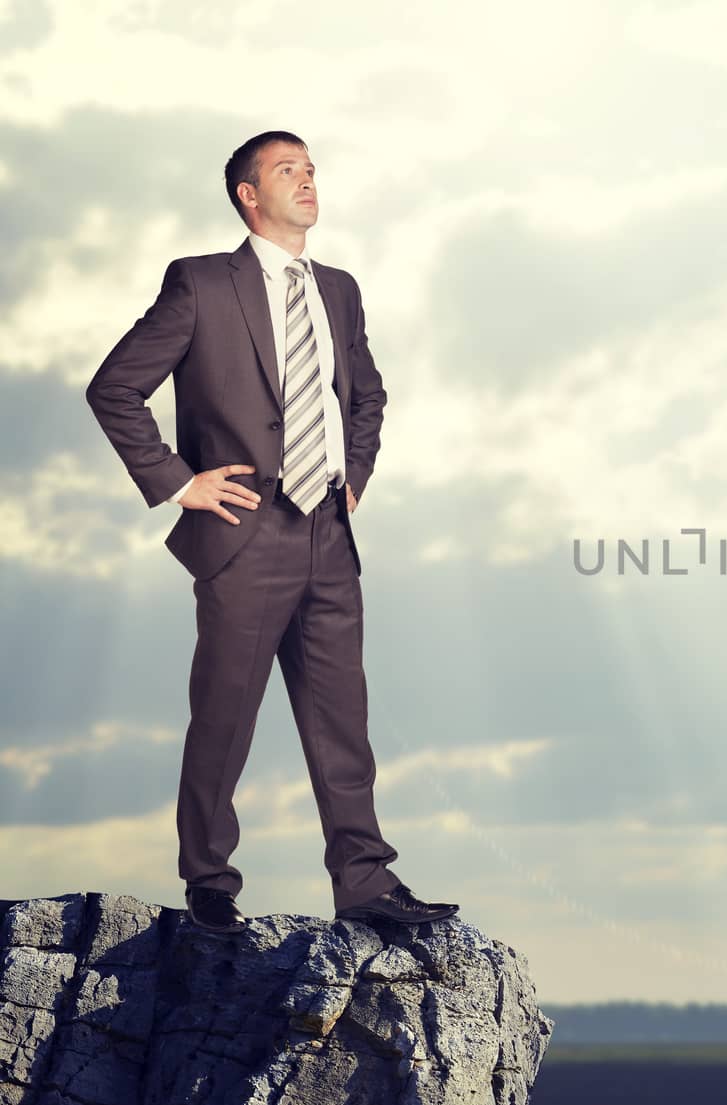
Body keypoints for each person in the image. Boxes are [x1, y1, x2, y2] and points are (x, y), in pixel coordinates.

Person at [84, 130, 458, 933]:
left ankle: (365, 883)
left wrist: (353, 472)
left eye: (313, 168)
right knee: (225, 711)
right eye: (288, 170)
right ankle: (210, 880)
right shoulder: (200, 283)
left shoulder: (343, 290)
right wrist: (180, 482)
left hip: (329, 527)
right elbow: (114, 388)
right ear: (249, 196)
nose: (308, 179)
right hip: (246, 531)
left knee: (341, 718)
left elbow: (367, 396)